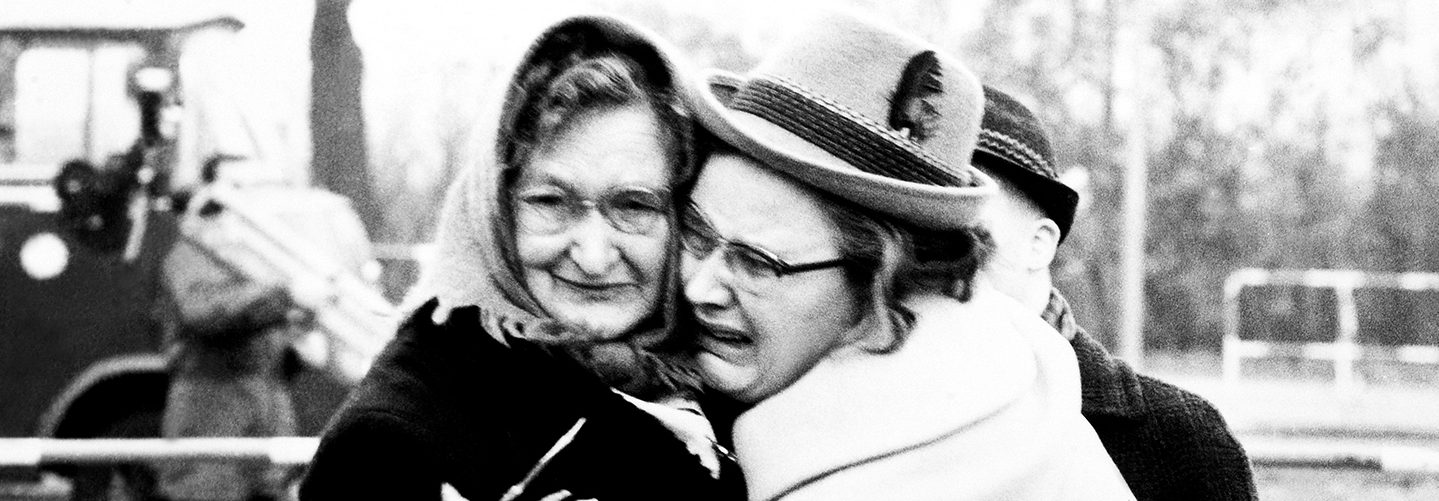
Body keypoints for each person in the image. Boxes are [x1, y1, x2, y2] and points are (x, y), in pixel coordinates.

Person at [678, 11, 1134, 501]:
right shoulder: (1009, 387)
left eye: (757, 263)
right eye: (697, 234)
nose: (698, 289)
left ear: (885, 284)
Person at [298, 15, 742, 501]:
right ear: (496, 210)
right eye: (551, 203)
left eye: (633, 206)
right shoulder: (391, 447)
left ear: (680, 217)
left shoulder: (728, 385)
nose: (593, 257)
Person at [968, 85, 1258, 500]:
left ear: (1040, 243)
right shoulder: (881, 415)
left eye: (968, 238)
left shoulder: (1181, 443)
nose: (939, 266)